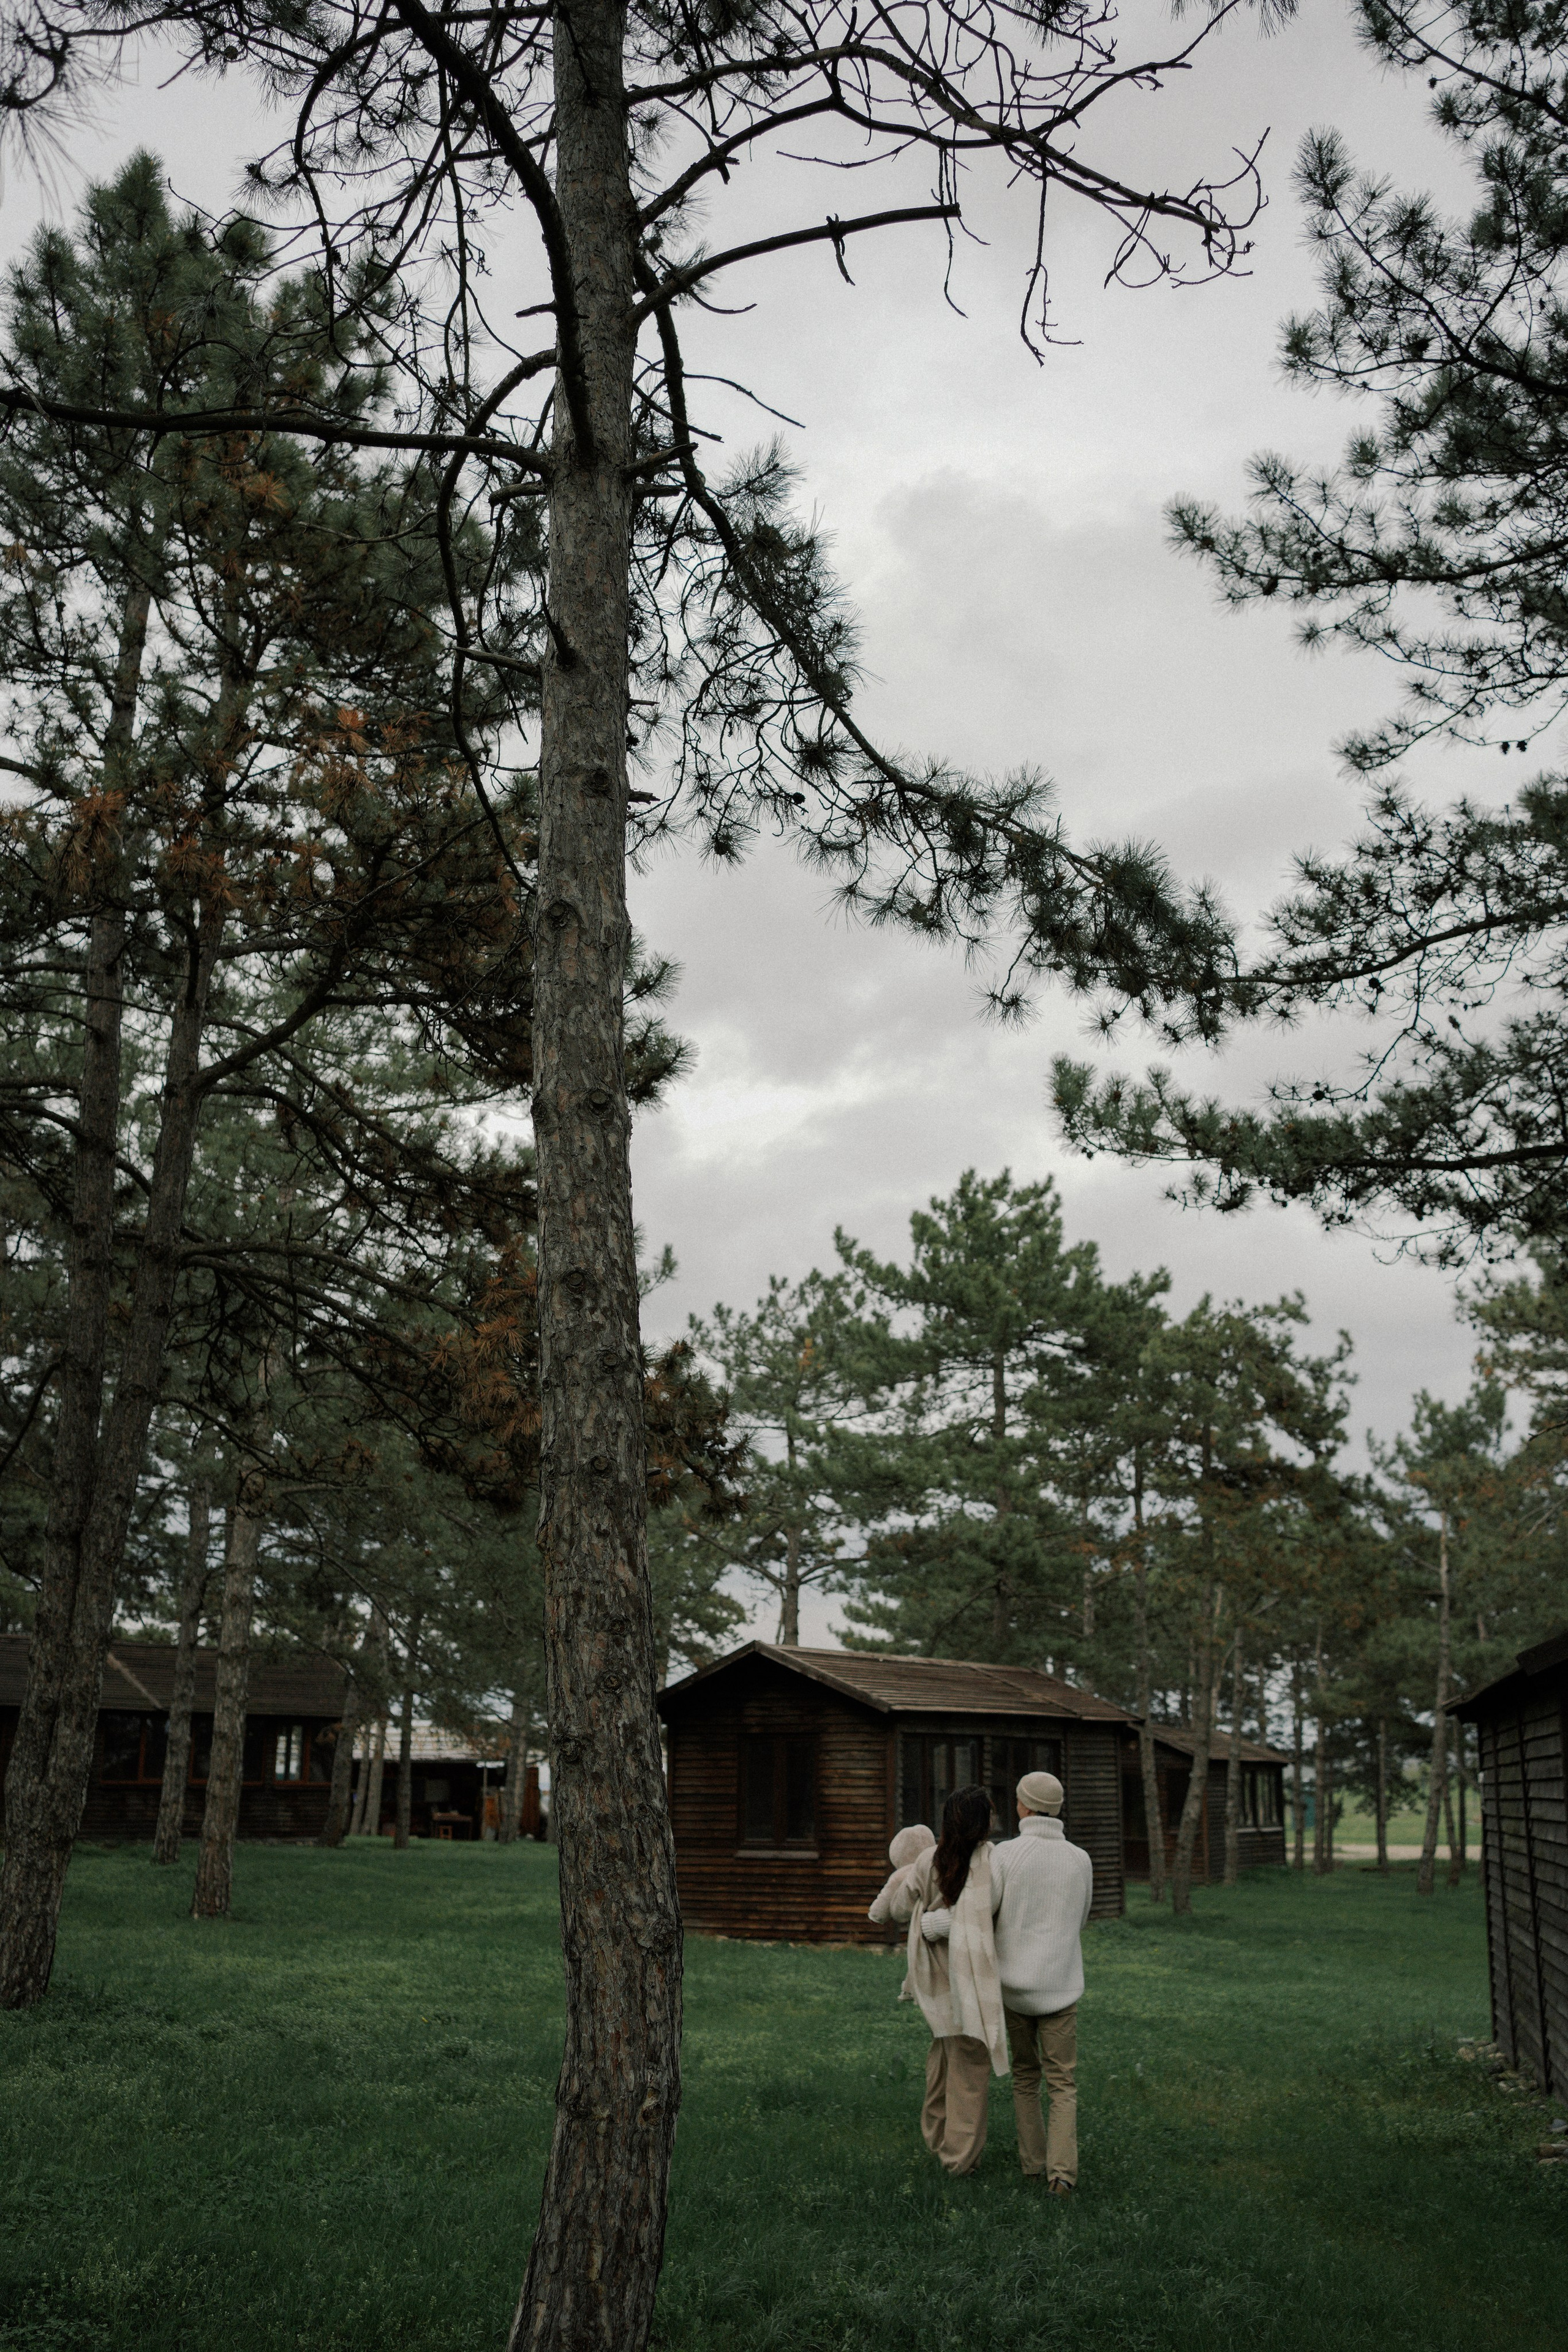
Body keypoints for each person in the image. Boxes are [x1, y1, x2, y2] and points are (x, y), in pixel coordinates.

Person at [892, 1785, 1008, 2177]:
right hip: (968, 1980)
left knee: (943, 2061)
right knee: (970, 2073)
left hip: (933, 1979)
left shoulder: (928, 1860)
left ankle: (938, 2140)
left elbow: (900, 1906)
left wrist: (931, 1920)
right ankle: (959, 2161)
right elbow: (991, 1915)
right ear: (982, 1822)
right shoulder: (990, 1861)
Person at [990, 1768, 1093, 2196]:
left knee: (1025, 2076)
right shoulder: (1080, 1859)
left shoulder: (1004, 1854)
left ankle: (1033, 2165)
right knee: (1062, 2082)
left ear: (1023, 1806)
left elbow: (988, 1912)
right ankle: (1062, 2175)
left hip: (1014, 1987)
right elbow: (1081, 1919)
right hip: (1061, 1986)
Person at [867, 1823, 936, 1926]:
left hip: (918, 1919)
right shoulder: (936, 1867)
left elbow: (886, 1897)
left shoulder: (901, 1875)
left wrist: (875, 1915)